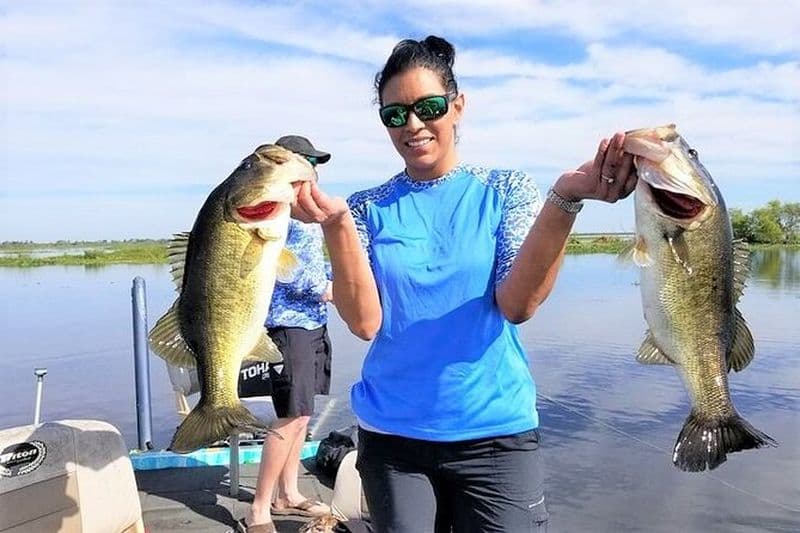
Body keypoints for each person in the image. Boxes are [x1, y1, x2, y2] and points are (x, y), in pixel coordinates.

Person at [290, 35, 637, 533]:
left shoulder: (505, 189)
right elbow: (365, 324)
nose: (412, 125)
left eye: (427, 107)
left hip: (495, 437)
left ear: (458, 107)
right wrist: (337, 225)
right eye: (394, 115)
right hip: (393, 440)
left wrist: (565, 198)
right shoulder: (366, 208)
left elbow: (518, 304)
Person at [238, 135, 335, 533]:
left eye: (315, 162)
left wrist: (336, 280)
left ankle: (288, 494)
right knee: (289, 415)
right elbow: (281, 269)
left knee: (304, 414)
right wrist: (328, 288)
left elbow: (316, 263)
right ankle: (260, 508)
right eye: (306, 161)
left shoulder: (309, 212)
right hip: (287, 324)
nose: (312, 169)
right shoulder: (274, 211)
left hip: (313, 322)